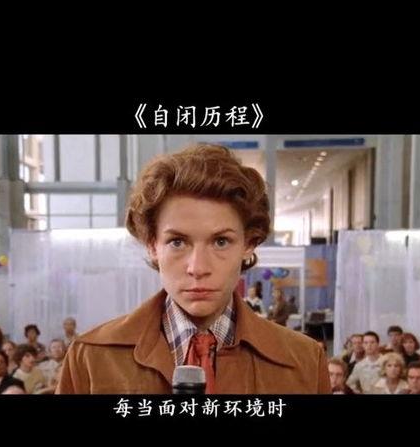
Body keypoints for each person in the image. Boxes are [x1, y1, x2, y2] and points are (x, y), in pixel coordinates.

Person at [57, 144, 331, 395]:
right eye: (177, 242)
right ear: (152, 245)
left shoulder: (303, 362)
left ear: (248, 243)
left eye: (221, 241)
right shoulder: (91, 359)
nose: (198, 268)